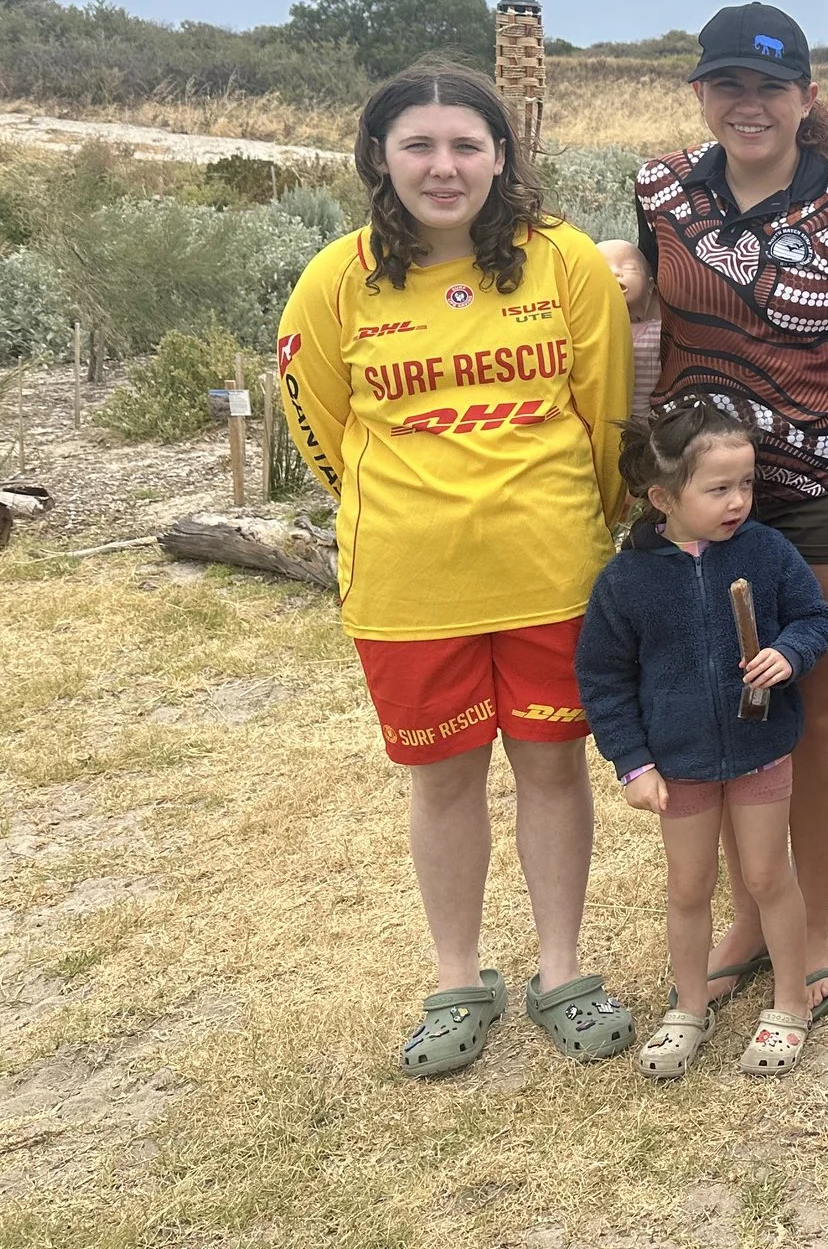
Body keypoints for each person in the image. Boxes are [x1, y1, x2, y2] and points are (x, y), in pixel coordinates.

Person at [276, 60, 634, 1077]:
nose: (445, 167)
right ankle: (456, 978)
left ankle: (561, 970)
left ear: (502, 155)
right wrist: (404, 507)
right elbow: (320, 428)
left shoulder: (563, 263)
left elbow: (607, 413)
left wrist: (588, 523)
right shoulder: (334, 278)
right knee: (442, 783)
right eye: (419, 145)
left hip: (552, 569)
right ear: (378, 159)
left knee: (555, 770)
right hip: (407, 583)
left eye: (466, 144)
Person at [634, 3, 828, 1024]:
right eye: (727, 85)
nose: (747, 104)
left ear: (806, 96)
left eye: (768, 87)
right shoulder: (661, 191)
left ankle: (801, 919)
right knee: (721, 706)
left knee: (811, 711)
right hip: (702, 499)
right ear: (701, 94)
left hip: (826, 497)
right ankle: (750, 914)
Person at [576, 405, 828, 1079]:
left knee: (766, 874)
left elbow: (814, 617)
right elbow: (603, 680)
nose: (738, 501)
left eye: (745, 484)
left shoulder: (767, 552)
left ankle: (788, 1002)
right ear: (663, 497)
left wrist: (788, 652)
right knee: (688, 886)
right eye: (719, 488)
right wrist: (632, 762)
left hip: (760, 748)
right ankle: (689, 1006)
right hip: (679, 762)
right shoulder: (625, 582)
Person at [597, 238, 662, 417]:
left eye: (629, 268)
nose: (615, 272)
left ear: (651, 286)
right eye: (603, 268)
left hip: (651, 420)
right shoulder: (590, 334)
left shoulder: (660, 332)